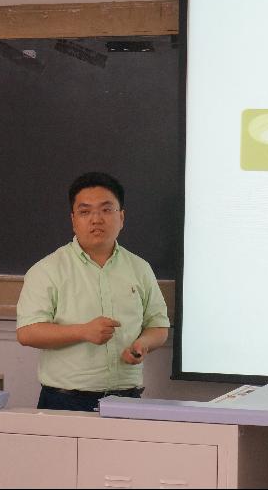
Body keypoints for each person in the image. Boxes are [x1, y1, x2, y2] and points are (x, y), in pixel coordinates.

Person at [16, 172, 170, 412]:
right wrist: (83, 331)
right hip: (65, 401)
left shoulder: (140, 268)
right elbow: (27, 333)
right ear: (73, 220)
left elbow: (158, 326)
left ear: (121, 217)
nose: (96, 219)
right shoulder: (47, 270)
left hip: (127, 399)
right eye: (85, 212)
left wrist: (143, 344)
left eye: (106, 210)